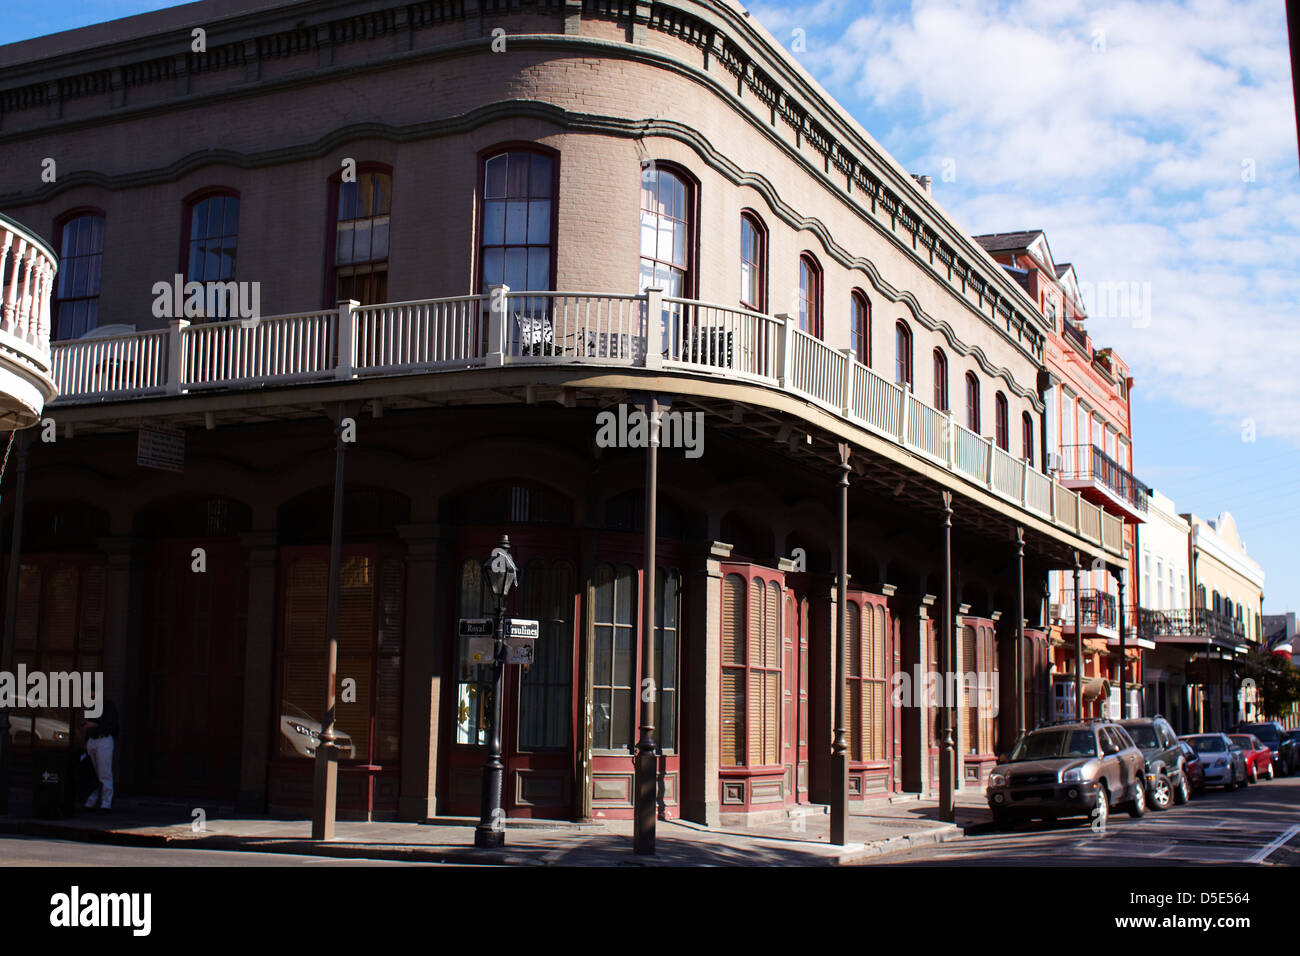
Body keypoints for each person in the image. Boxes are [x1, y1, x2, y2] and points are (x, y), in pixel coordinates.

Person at [83, 700, 118, 813]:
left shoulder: (108, 706)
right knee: (94, 772)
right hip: (92, 739)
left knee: (104, 772)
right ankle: (92, 800)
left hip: (103, 739)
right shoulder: (91, 707)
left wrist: (94, 725)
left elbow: (111, 725)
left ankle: (106, 803)